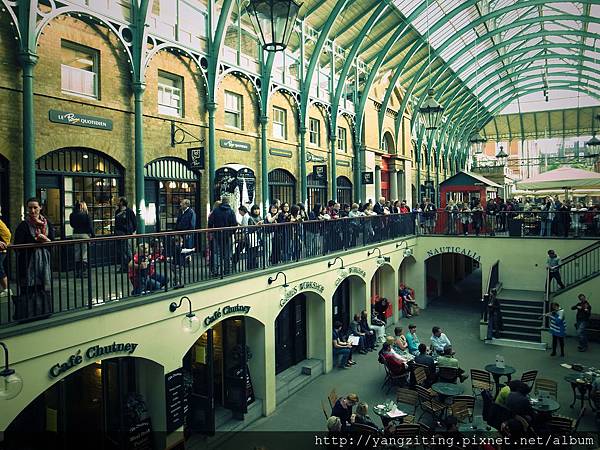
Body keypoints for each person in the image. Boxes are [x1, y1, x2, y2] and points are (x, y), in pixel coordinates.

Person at [13, 197, 55, 320]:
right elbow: (18, 245)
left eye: (35, 207)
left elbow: (53, 241)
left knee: (42, 287)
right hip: (28, 263)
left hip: (44, 262)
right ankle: (28, 315)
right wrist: (35, 242)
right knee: (28, 288)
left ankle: (42, 312)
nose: (32, 210)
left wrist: (46, 240)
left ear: (40, 208)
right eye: (30, 207)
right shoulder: (23, 225)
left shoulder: (48, 223)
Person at [207, 195, 238, 275]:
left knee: (216, 253)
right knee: (227, 253)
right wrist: (231, 233)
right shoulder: (231, 211)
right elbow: (235, 224)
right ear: (228, 202)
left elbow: (210, 223)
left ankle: (216, 271)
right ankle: (227, 270)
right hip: (227, 236)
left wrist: (212, 231)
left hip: (217, 234)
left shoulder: (216, 211)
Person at [69, 201, 94, 277]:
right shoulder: (86, 215)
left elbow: (71, 224)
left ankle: (77, 271)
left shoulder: (72, 215)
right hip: (84, 235)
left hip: (75, 234)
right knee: (84, 253)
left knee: (77, 253)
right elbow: (90, 227)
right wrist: (93, 236)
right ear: (81, 207)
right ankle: (83, 271)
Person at [114, 197, 137, 272]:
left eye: (119, 201)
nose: (117, 202)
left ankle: (131, 265)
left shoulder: (129, 211)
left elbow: (134, 222)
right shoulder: (117, 211)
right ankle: (125, 266)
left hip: (127, 233)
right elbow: (116, 223)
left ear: (122, 202)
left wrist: (133, 231)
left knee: (127, 250)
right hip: (119, 233)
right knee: (121, 250)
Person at [0, 205, 10, 297]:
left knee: (0, 269)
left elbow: (7, 234)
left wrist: (4, 243)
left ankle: (6, 289)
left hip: (1, 251)